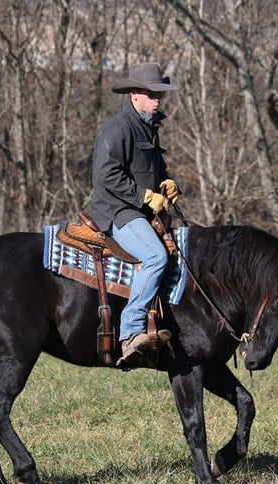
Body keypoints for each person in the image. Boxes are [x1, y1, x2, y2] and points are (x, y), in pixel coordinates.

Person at [90, 62, 182, 364]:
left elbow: (152, 170)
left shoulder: (148, 127)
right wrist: (145, 196)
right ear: (134, 94)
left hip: (140, 211)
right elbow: (107, 175)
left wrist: (166, 183)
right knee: (156, 256)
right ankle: (130, 333)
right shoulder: (118, 128)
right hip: (118, 212)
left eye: (159, 95)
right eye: (151, 94)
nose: (157, 99)